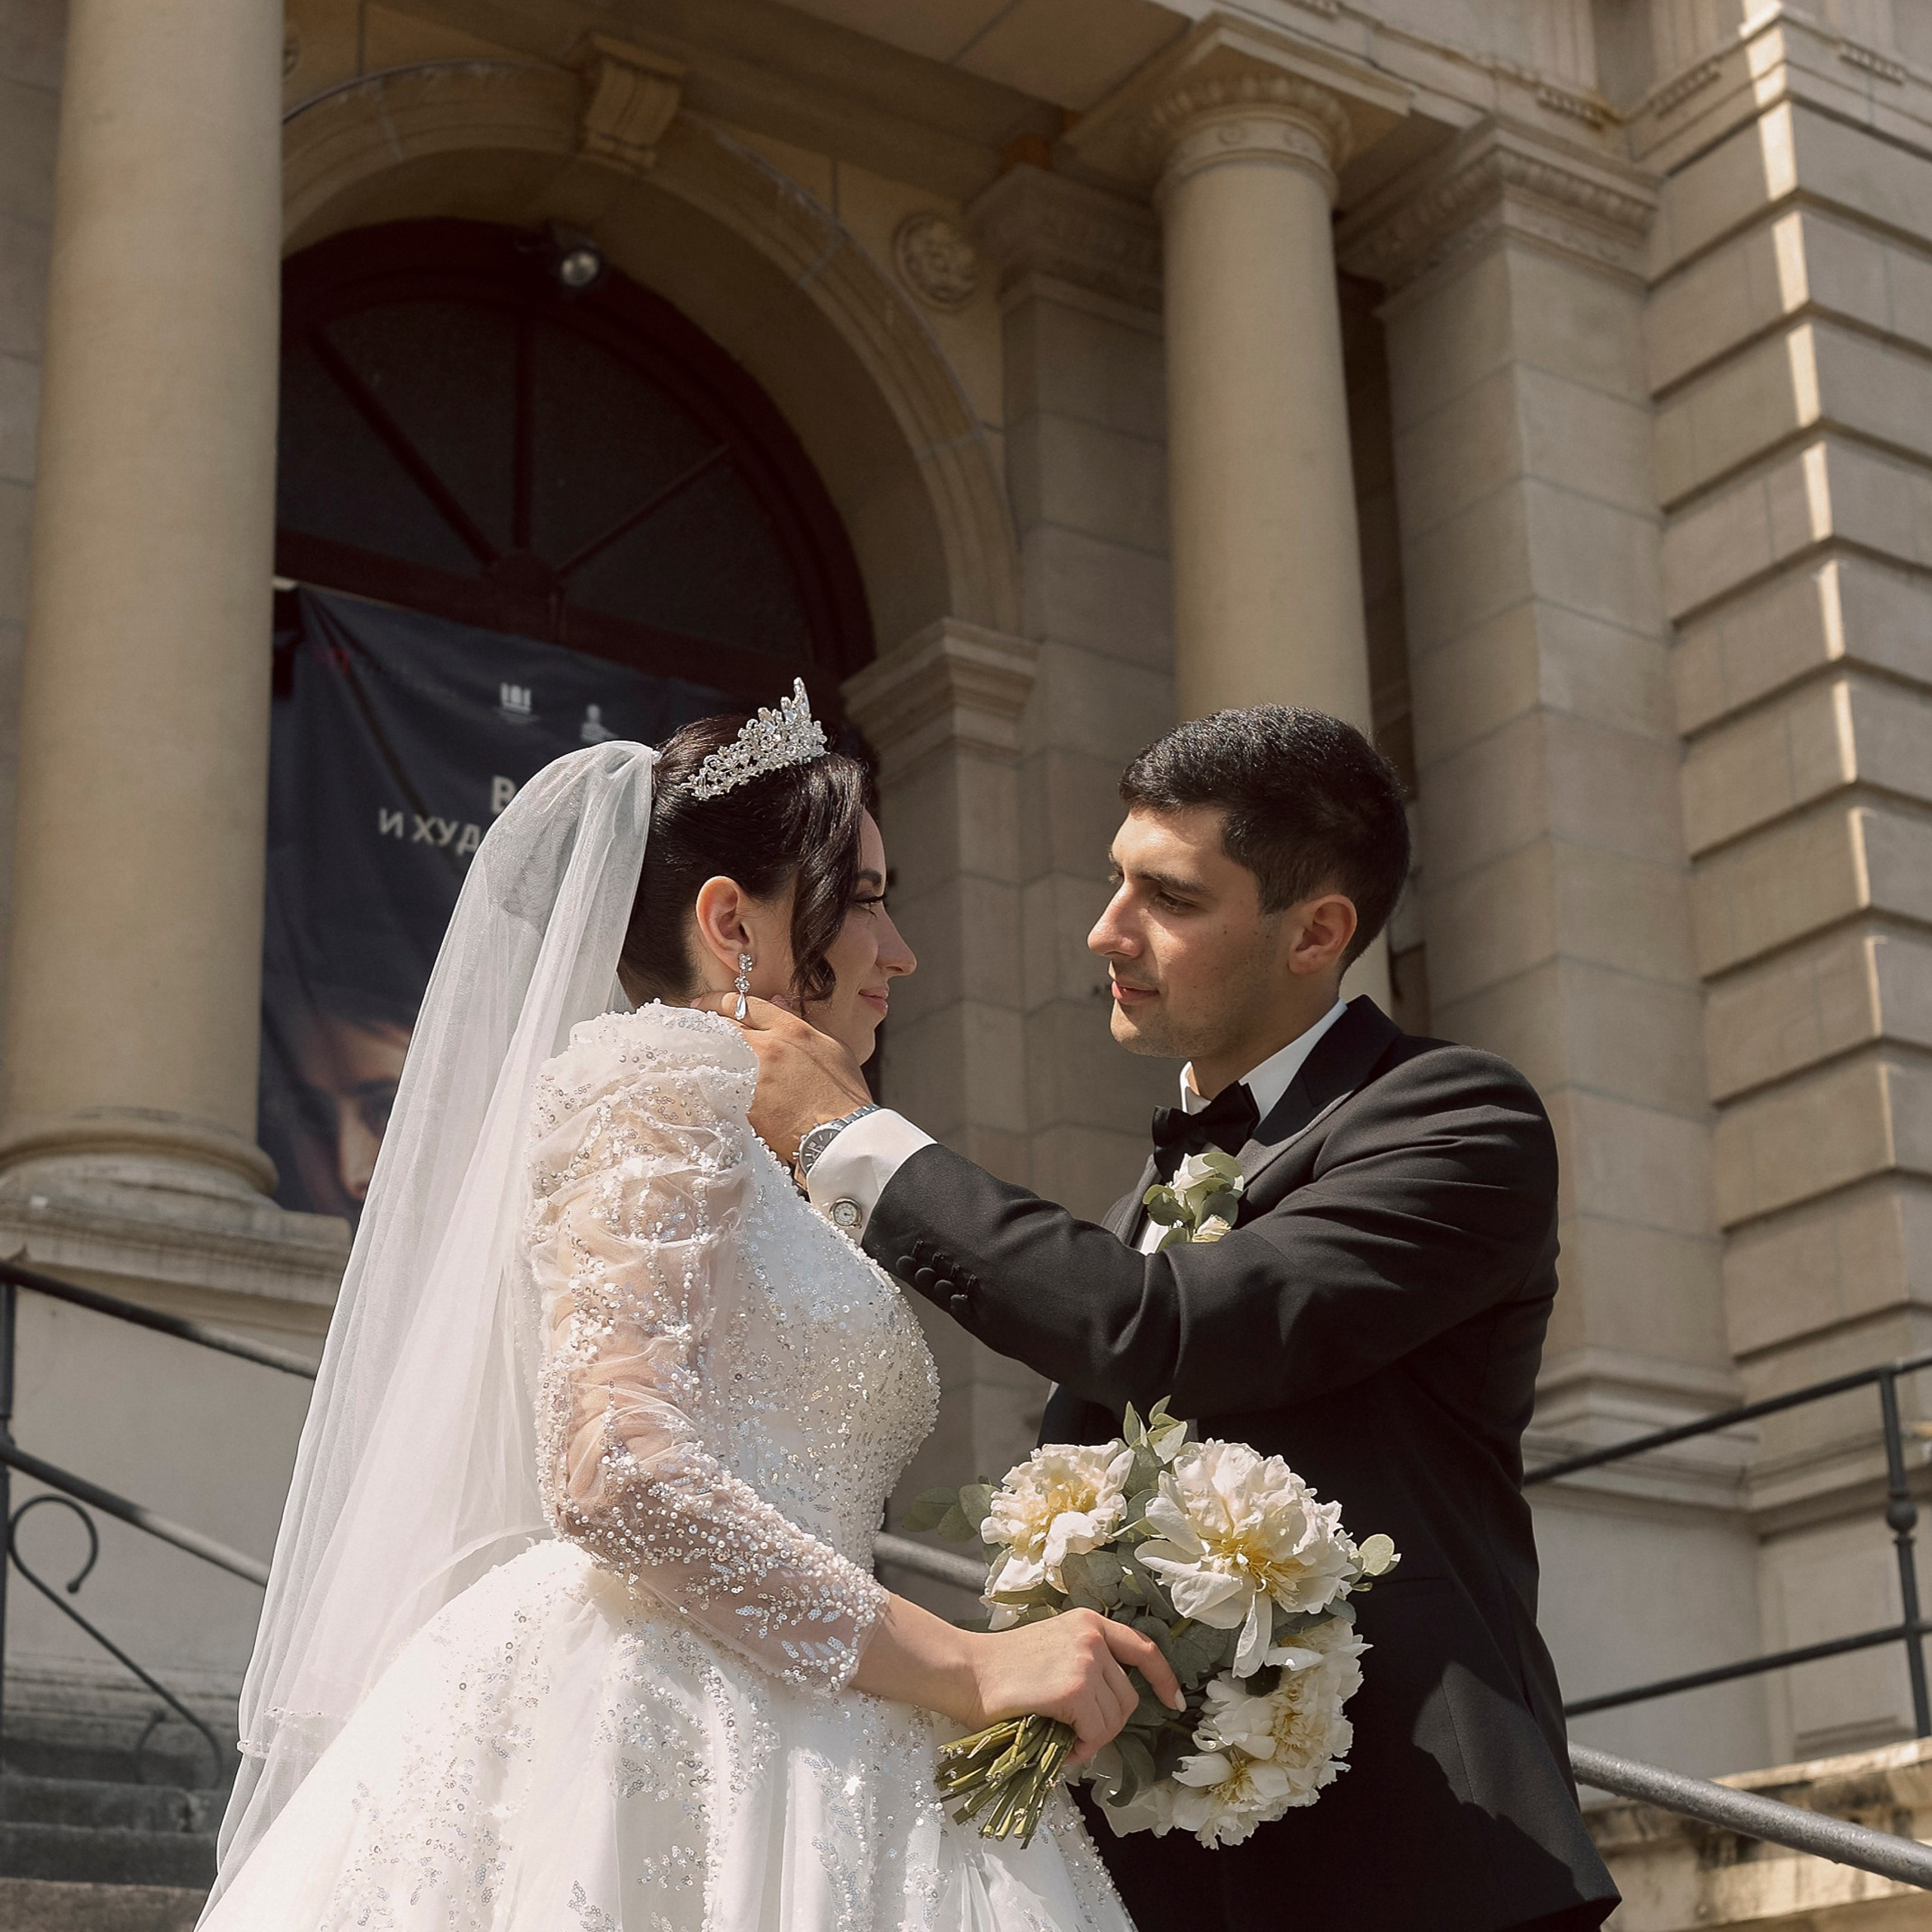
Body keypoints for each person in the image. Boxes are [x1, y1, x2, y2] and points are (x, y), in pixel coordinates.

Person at [202, 693, 1179, 1930]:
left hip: (814, 1707)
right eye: (865, 899)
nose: (898, 951)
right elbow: (616, 1471)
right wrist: (970, 1661)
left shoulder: (758, 1142)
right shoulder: (660, 1082)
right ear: (730, 923)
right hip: (672, 1718)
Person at [729, 707, 1620, 1932]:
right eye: (1116, 881)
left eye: (1170, 897)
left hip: (1412, 1856)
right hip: (1154, 1872)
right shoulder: (1145, 1194)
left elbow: (1167, 1332)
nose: (1108, 930)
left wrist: (854, 1142)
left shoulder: (1458, 1123)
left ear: (1317, 932)